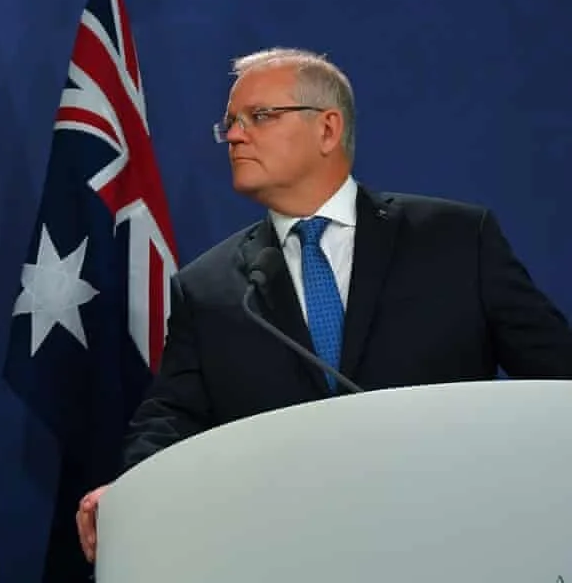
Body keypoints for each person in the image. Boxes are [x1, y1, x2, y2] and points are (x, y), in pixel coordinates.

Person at [75, 47, 572, 560]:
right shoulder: (209, 287)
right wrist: (131, 494)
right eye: (230, 124)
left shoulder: (456, 241)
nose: (236, 136)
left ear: (328, 129)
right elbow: (170, 418)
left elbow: (559, 379)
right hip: (290, 549)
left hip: (453, 538)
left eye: (259, 116)